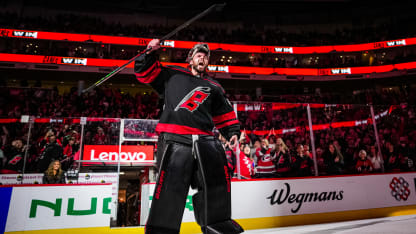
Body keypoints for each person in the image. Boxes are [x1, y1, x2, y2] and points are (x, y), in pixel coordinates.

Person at [134, 39, 244, 234]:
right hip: (174, 138)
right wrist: (150, 52)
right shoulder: (172, 73)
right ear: (190, 59)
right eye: (198, 55)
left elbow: (224, 113)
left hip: (204, 142)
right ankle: (161, 230)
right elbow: (143, 73)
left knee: (213, 186)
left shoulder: (214, 86)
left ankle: (217, 225)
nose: (202, 58)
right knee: (171, 188)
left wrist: (232, 132)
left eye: (205, 56)